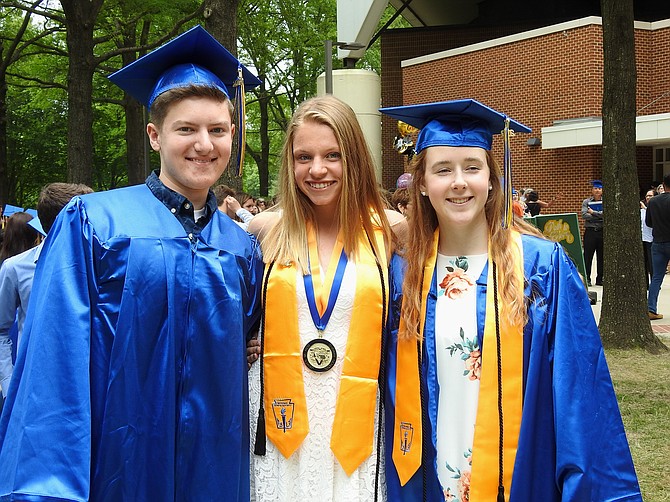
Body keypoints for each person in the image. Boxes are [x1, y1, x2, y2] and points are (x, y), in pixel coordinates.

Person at [0, 26, 262, 501]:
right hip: (117, 464)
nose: (205, 143)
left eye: (218, 130)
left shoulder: (241, 248)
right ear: (154, 135)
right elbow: (54, 358)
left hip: (214, 467)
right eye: (186, 128)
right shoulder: (94, 223)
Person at [379, 99, 641, 501]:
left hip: (520, 474)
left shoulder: (541, 267)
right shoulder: (400, 272)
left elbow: (579, 391)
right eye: (443, 169)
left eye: (472, 166)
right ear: (423, 184)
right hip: (426, 473)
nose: (458, 182)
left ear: (492, 179)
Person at [247, 95, 406, 501]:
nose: (316, 170)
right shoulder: (265, 230)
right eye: (304, 157)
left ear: (353, 157)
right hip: (281, 406)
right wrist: (243, 340)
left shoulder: (391, 231)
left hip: (356, 404)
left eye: (332, 155)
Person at [0, 183, 93, 404]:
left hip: (90, 390)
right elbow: (1, 330)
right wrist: (9, 382)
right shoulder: (16, 268)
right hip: (34, 393)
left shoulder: (104, 267)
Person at [646, 173, 670, 320]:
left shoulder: (653, 201)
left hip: (658, 242)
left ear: (663, 184)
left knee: (656, 277)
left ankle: (651, 309)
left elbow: (648, 222)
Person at [581, 179, 604, 286]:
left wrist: (593, 212)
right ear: (592, 190)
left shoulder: (605, 201)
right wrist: (599, 215)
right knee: (587, 256)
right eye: (595, 188)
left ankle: (600, 278)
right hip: (590, 232)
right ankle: (587, 278)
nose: (597, 191)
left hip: (602, 232)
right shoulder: (586, 202)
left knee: (602, 256)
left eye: (599, 189)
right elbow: (584, 215)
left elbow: (606, 215)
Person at [641, 189, 655, 288]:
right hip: (642, 239)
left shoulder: (655, 209)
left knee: (652, 263)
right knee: (643, 263)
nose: (648, 197)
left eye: (650, 195)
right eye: (647, 196)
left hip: (652, 239)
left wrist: (646, 208)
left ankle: (654, 284)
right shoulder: (641, 210)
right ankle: (645, 284)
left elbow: (653, 220)